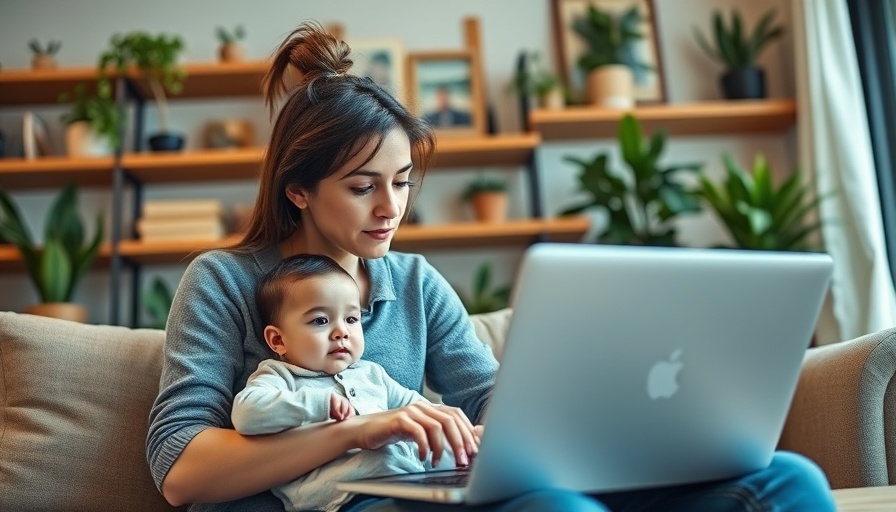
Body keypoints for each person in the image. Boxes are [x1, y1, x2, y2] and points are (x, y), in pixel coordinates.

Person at [146, 20, 837, 512]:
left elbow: (494, 404)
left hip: (439, 487)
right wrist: (359, 428)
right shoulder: (224, 281)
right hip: (338, 504)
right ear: (298, 189)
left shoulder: (414, 283)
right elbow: (180, 469)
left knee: (786, 481)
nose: (392, 207)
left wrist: (571, 414)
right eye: (363, 187)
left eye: (404, 180)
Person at [231, 253, 472, 511]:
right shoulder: (280, 377)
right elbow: (246, 412)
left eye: (351, 319)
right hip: (345, 500)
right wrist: (320, 404)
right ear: (278, 340)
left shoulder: (371, 374)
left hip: (412, 484)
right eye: (321, 320)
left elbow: (420, 411)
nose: (341, 332)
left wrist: (463, 432)